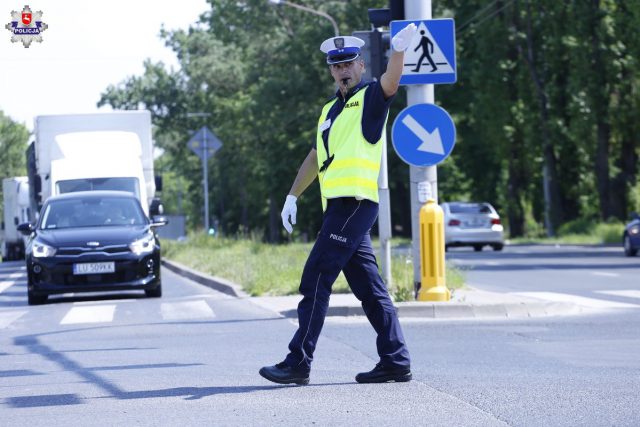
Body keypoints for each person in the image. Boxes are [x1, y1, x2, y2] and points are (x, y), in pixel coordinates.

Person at [259, 23, 418, 386]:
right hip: (339, 209)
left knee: (316, 275)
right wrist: (291, 196)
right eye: (337, 65)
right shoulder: (329, 110)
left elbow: (392, 83)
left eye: (350, 63)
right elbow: (316, 156)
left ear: (361, 66)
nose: (344, 70)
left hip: (356, 204)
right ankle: (395, 360)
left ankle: (298, 361)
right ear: (331, 69)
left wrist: (398, 51)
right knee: (370, 289)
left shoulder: (371, 100)